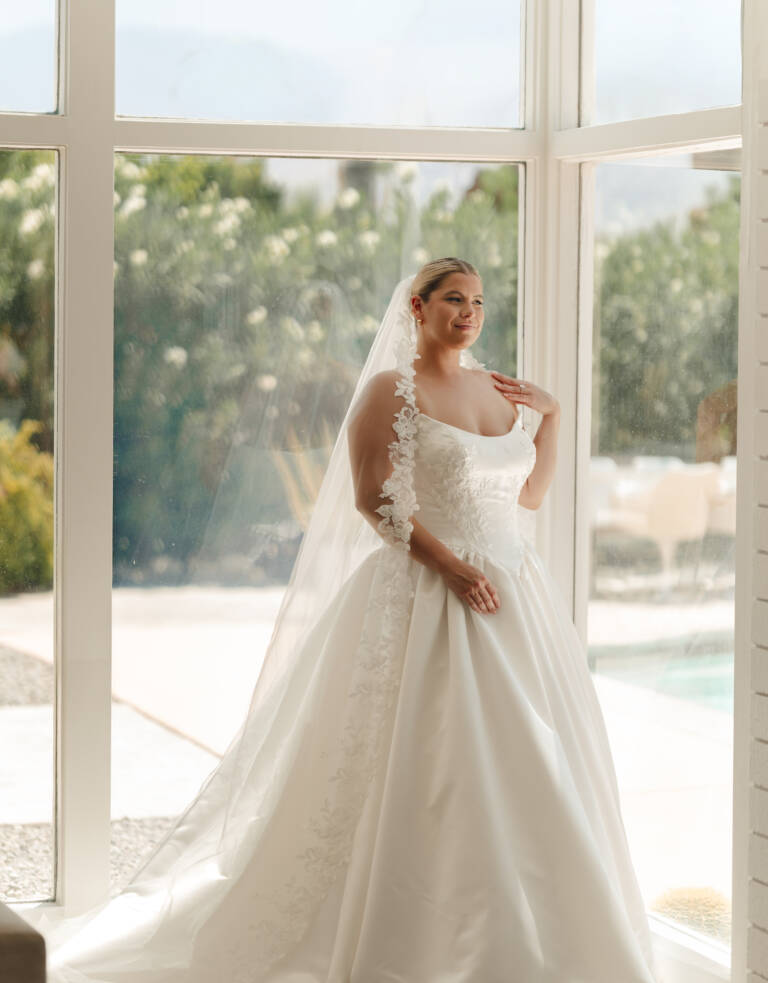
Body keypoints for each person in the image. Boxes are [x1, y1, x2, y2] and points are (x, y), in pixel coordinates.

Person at [35, 257, 661, 982]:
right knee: (439, 762)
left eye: (478, 301)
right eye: (453, 299)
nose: (469, 312)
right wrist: (452, 568)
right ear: (417, 308)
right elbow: (374, 499)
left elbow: (529, 497)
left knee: (536, 763)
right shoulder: (391, 391)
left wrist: (551, 415)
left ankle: (542, 940)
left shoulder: (498, 389)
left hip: (517, 598)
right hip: (432, 594)